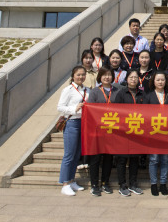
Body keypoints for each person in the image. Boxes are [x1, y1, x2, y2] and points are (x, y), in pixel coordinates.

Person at [86, 67, 122, 196]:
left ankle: (105, 182)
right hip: (98, 130)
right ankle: (94, 184)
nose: (107, 77)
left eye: (109, 75)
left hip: (112, 130)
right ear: (100, 77)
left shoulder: (118, 91)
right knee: (95, 158)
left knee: (108, 158)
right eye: (104, 75)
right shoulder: (95, 92)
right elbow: (90, 109)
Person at [57, 66, 87, 196]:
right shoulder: (68, 90)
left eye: (83, 74)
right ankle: (65, 183)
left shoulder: (87, 90)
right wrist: (74, 108)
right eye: (78, 75)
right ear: (73, 76)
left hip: (83, 123)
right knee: (69, 154)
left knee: (76, 154)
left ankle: (71, 180)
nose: (81, 77)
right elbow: (60, 107)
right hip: (72, 122)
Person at [144, 71, 168, 196]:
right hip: (153, 132)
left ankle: (163, 183)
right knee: (154, 159)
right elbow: (144, 114)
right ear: (153, 81)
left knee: (165, 159)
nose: (160, 82)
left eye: (162, 80)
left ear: (166, 81)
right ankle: (153, 184)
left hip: (167, 132)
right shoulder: (149, 96)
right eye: (158, 80)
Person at [117, 69, 144, 196]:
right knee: (122, 159)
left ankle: (133, 184)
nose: (133, 80)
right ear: (126, 79)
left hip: (137, 131)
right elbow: (116, 112)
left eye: (136, 77)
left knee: (134, 159)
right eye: (131, 77)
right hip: (124, 131)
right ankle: (122, 185)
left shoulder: (142, 94)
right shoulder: (121, 93)